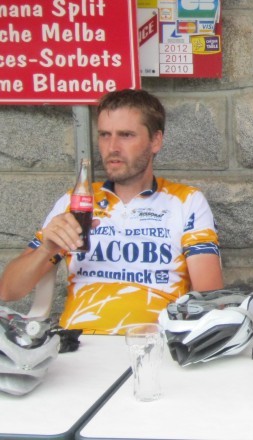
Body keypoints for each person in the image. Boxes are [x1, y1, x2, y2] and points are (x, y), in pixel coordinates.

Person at [0, 89, 224, 334]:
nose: (112, 147)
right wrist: (47, 249)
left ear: (155, 141)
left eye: (126, 135)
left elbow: (208, 297)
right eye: (105, 135)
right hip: (79, 341)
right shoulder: (77, 202)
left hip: (155, 344)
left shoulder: (186, 201)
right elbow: (9, 291)